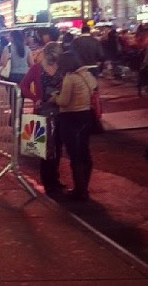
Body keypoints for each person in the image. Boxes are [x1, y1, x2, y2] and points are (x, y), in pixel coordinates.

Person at [48, 51, 97, 201]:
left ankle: (80, 191)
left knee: (75, 154)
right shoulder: (87, 75)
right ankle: (84, 187)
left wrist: (55, 97)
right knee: (84, 151)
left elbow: (64, 101)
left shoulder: (70, 77)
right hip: (86, 115)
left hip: (70, 117)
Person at [20, 41, 64, 196]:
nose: (53, 62)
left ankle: (55, 179)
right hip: (43, 110)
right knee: (45, 148)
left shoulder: (62, 67)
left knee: (58, 146)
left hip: (60, 110)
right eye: (52, 59)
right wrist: (35, 98)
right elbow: (23, 85)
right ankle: (48, 182)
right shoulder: (36, 68)